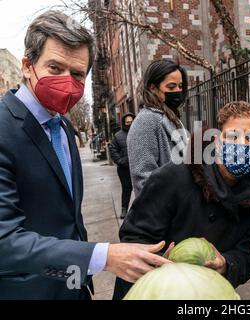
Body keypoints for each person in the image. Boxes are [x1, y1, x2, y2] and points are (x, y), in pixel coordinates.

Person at [0, 11, 171, 300]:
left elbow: (67, 219)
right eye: (55, 67)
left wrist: (83, 274)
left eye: (77, 73)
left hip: (73, 286)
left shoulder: (63, 126)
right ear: (28, 66)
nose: (67, 81)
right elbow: (5, 242)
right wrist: (103, 257)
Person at [113, 101, 250, 299]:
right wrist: (159, 263)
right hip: (155, 291)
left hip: (208, 292)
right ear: (217, 141)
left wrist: (226, 264)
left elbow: (246, 255)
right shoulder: (173, 178)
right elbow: (133, 239)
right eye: (233, 136)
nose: (242, 144)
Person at [127, 59, 189, 196]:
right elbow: (144, 181)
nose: (178, 91)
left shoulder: (170, 116)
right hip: (168, 212)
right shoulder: (146, 121)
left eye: (180, 86)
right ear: (153, 88)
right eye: (171, 87)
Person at [110, 112, 136, 219]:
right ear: (124, 123)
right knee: (126, 189)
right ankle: (124, 209)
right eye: (128, 122)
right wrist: (120, 161)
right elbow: (112, 149)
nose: (130, 124)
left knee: (141, 188)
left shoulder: (139, 132)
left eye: (132, 122)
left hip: (137, 166)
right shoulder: (118, 136)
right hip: (124, 169)